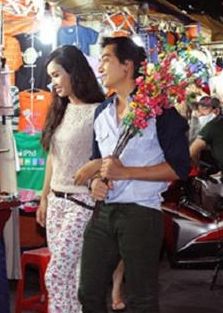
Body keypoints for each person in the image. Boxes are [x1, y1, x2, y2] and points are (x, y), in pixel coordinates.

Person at [74, 37, 190, 313]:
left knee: (141, 298)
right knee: (88, 291)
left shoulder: (160, 111)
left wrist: (126, 172)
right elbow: (97, 161)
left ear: (127, 66)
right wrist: (94, 184)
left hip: (141, 212)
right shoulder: (102, 111)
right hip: (103, 212)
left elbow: (179, 167)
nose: (99, 67)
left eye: (105, 59)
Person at [35, 45, 105, 313]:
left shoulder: (99, 111)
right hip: (56, 202)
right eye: (50, 77)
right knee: (69, 278)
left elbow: (110, 156)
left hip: (82, 202)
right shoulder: (59, 110)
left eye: (56, 75)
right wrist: (44, 199)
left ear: (74, 72)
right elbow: (53, 157)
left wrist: (94, 170)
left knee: (56, 274)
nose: (53, 83)